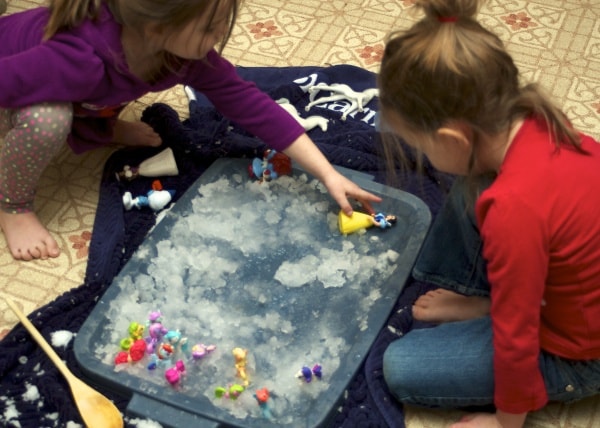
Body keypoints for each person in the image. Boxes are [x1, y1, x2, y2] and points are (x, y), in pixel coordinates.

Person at [0, 0, 381, 261]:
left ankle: (99, 123)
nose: (218, 34)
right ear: (156, 27)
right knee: (47, 121)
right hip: (22, 85)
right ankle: (11, 204)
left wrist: (328, 173)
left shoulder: (178, 54)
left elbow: (252, 106)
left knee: (83, 98)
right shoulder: (73, 58)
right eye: (209, 27)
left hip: (86, 95)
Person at [376, 1, 600, 427]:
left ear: (453, 137)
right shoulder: (536, 122)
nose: (423, 156)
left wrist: (503, 422)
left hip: (582, 353)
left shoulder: (513, 209)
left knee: (401, 366)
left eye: (423, 146)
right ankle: (484, 301)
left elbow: (517, 341)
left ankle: (489, 305)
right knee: (474, 179)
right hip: (562, 293)